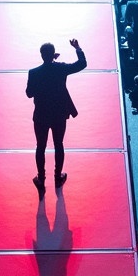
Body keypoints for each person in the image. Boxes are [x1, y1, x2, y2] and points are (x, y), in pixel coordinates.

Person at [26, 38, 87, 192]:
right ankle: (58, 176)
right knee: (59, 145)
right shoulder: (60, 69)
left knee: (40, 146)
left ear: (41, 55)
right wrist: (77, 48)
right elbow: (82, 64)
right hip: (59, 113)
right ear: (53, 54)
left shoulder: (33, 73)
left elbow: (29, 93)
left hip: (41, 114)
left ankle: (41, 178)